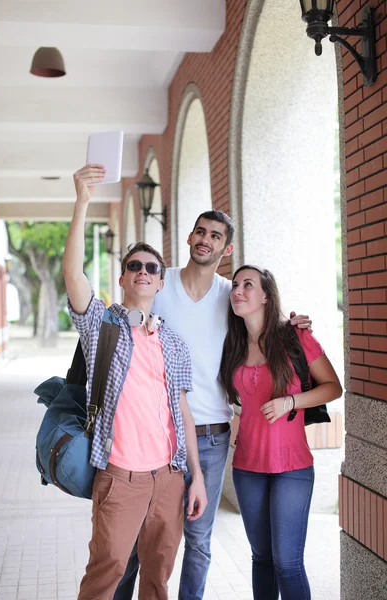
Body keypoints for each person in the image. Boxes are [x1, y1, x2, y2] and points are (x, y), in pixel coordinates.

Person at [115, 210, 312, 600]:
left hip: (213, 436)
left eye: (216, 236)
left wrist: (292, 326)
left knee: (199, 542)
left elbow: (261, 322)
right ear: (189, 238)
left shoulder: (231, 294)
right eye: (201, 232)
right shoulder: (160, 280)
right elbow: (125, 316)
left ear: (227, 247)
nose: (207, 240)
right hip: (158, 435)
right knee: (139, 540)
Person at [63, 163, 207, 600]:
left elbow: (182, 411)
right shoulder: (103, 326)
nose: (143, 271)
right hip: (119, 477)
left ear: (160, 281)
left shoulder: (173, 342)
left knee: (157, 583)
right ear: (124, 277)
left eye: (151, 267)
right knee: (104, 578)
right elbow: (73, 275)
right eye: (134, 265)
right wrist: (82, 202)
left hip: (169, 478)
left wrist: (196, 476)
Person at [219, 265, 342, 600]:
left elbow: (333, 387)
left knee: (287, 562)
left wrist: (291, 401)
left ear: (265, 296)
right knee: (262, 559)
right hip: (246, 467)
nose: (238, 291)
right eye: (235, 285)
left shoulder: (295, 337)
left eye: (248, 284)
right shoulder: (231, 345)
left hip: (292, 467)